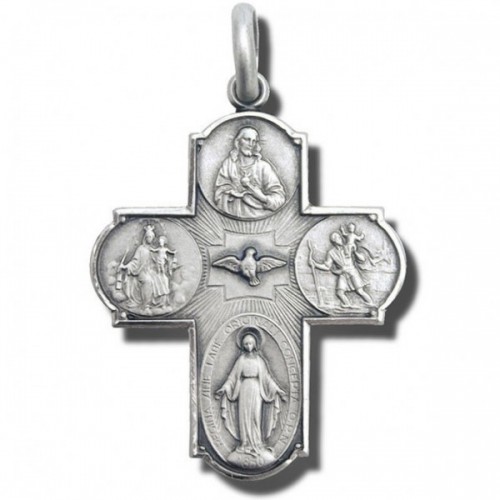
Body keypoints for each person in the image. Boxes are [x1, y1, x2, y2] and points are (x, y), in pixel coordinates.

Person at [215, 327, 286, 461]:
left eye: (250, 343)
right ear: (243, 345)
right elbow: (232, 377)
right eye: (246, 344)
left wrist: (277, 390)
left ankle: (257, 443)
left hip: (256, 389)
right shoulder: (241, 360)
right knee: (244, 416)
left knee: (255, 416)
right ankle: (245, 444)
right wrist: (224, 388)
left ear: (255, 344)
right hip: (244, 389)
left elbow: (267, 378)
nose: (248, 346)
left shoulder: (259, 360)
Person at [214, 127, 286, 218]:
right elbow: (219, 192)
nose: (251, 144)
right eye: (247, 140)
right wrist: (233, 193)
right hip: (230, 217)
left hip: (259, 218)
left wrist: (261, 197)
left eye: (254, 141)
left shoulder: (263, 167)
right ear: (238, 142)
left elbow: (279, 197)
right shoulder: (229, 164)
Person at [312, 231, 374, 308]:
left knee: (360, 291)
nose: (340, 238)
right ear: (334, 240)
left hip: (352, 272)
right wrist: (315, 264)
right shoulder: (331, 253)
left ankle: (370, 304)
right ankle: (347, 306)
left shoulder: (348, 247)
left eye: (340, 237)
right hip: (343, 274)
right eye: (338, 238)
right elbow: (327, 266)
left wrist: (355, 252)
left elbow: (362, 259)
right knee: (339, 293)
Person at [120, 225, 170, 312]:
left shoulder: (153, 249)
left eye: (151, 237)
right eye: (148, 237)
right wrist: (126, 266)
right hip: (142, 271)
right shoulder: (141, 249)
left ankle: (161, 304)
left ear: (153, 238)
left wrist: (163, 261)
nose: (149, 238)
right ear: (145, 238)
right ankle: (146, 305)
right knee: (148, 281)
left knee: (163, 279)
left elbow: (159, 259)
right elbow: (135, 261)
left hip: (152, 270)